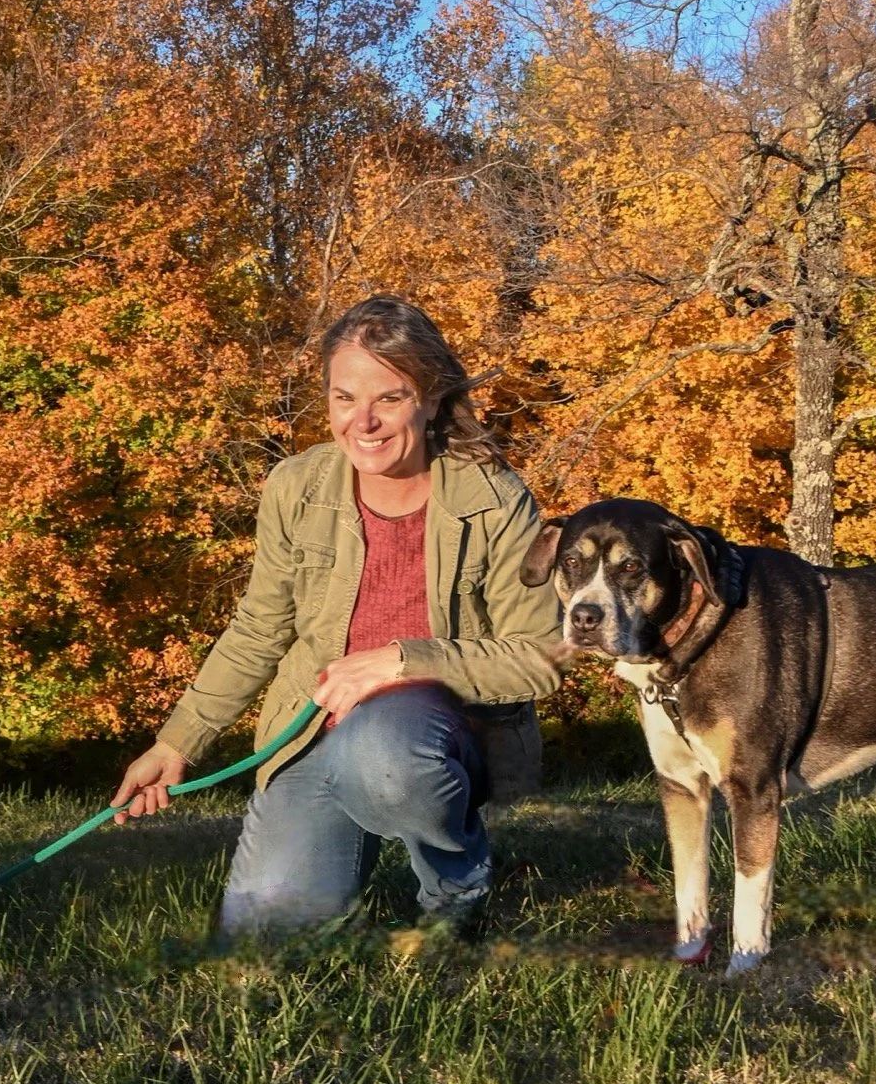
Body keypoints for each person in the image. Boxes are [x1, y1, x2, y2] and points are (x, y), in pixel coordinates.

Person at [111, 295, 563, 937]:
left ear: (431, 399)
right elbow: (258, 629)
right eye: (344, 398)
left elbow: (541, 658)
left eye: (390, 397)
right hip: (312, 731)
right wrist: (176, 743)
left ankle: (454, 886)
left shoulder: (493, 497)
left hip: (429, 734)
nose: (365, 422)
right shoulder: (295, 487)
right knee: (263, 935)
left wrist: (402, 661)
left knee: (381, 753)